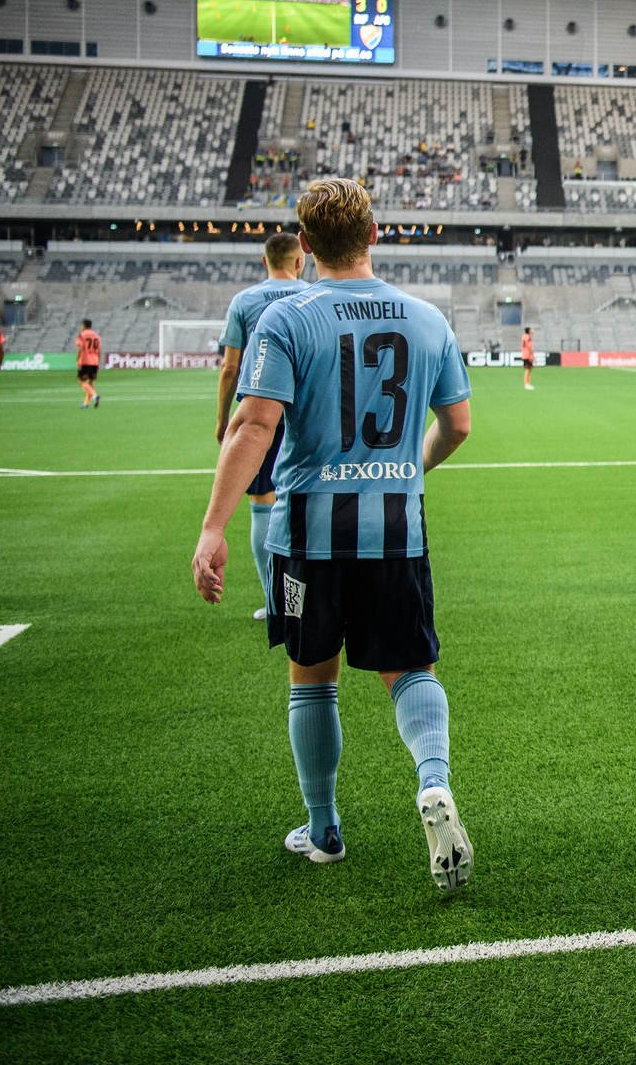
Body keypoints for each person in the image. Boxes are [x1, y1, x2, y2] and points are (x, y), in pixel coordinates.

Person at [189, 178, 476, 893]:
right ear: (374, 235)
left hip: (307, 538)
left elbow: (253, 425)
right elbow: (460, 424)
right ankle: (434, 782)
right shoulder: (426, 318)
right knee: (411, 668)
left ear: (307, 245)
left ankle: (323, 830)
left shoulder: (286, 319)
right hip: (396, 532)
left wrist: (213, 527)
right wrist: (414, 468)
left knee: (311, 680)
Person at [216, 232, 310, 622]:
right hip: (305, 411)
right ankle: (309, 601)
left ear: (264, 260)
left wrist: (224, 421)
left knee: (261, 504)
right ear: (299, 260)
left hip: (260, 408)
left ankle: (276, 602)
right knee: (307, 504)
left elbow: (230, 368)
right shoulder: (314, 295)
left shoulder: (245, 301)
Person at [76, 319, 101, 408]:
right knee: (90, 383)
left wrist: (77, 360)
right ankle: (86, 403)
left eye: (81, 325)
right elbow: (99, 351)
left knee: (81, 382)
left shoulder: (82, 335)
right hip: (95, 361)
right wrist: (98, 362)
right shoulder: (97, 336)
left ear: (84, 325)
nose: (81, 327)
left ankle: (95, 395)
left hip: (85, 361)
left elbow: (80, 348)